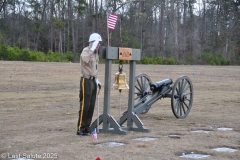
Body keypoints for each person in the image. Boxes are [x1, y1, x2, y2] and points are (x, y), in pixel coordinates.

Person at [77, 33, 102, 136]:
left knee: (91, 105)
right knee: (85, 105)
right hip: (86, 80)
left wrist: (97, 80)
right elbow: (85, 59)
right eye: (97, 43)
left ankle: (87, 126)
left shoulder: (96, 53)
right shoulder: (86, 51)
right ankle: (81, 127)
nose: (99, 45)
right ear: (92, 42)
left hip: (93, 80)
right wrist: (92, 49)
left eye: (99, 44)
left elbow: (94, 68)